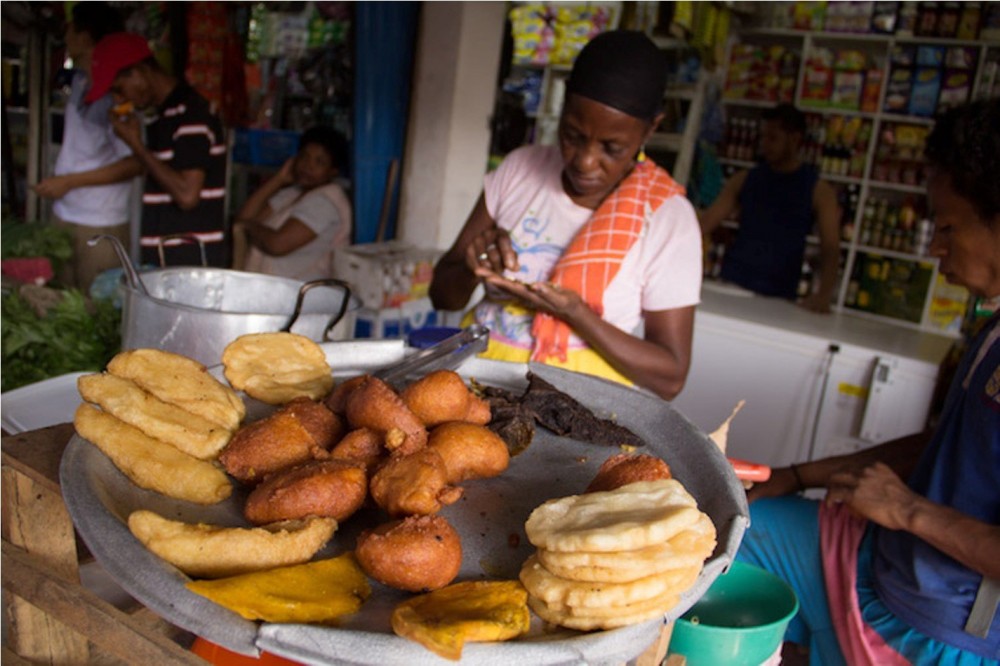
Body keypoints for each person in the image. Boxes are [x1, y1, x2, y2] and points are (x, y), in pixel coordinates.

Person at [738, 100, 999, 665]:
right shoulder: (994, 325)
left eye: (949, 226)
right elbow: (947, 444)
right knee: (728, 531)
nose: (934, 247)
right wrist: (796, 474)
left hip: (939, 628)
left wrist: (908, 510)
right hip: (878, 553)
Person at [429, 30, 702, 401]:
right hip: (473, 390)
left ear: (652, 128)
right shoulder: (521, 169)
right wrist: (471, 264)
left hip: (577, 417)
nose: (585, 161)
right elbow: (442, 296)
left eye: (612, 147)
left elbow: (670, 377)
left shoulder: (667, 217)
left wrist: (576, 314)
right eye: (573, 135)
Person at [85, 32, 228, 267]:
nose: (118, 99)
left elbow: (187, 195)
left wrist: (137, 146)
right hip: (167, 265)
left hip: (188, 267)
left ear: (140, 73)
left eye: (119, 89)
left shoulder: (192, 114)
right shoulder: (162, 117)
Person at [31, 2, 141, 291]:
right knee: (61, 306)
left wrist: (69, 181)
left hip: (100, 223)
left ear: (85, 36)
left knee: (96, 313)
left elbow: (134, 163)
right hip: (66, 214)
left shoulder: (118, 94)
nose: (65, 34)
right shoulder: (81, 82)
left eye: (71, 28)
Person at [698, 104, 841, 313]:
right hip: (734, 283)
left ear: (795, 139)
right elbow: (706, 222)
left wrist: (823, 295)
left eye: (773, 138)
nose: (765, 145)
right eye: (763, 137)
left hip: (781, 293)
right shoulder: (745, 179)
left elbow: (830, 248)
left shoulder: (819, 190)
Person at [233, 126, 352, 281]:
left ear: (333, 171)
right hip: (269, 290)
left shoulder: (325, 202)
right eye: (304, 157)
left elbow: (277, 245)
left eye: (319, 162)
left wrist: (249, 226)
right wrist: (278, 179)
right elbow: (244, 218)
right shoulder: (292, 193)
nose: (308, 166)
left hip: (300, 297)